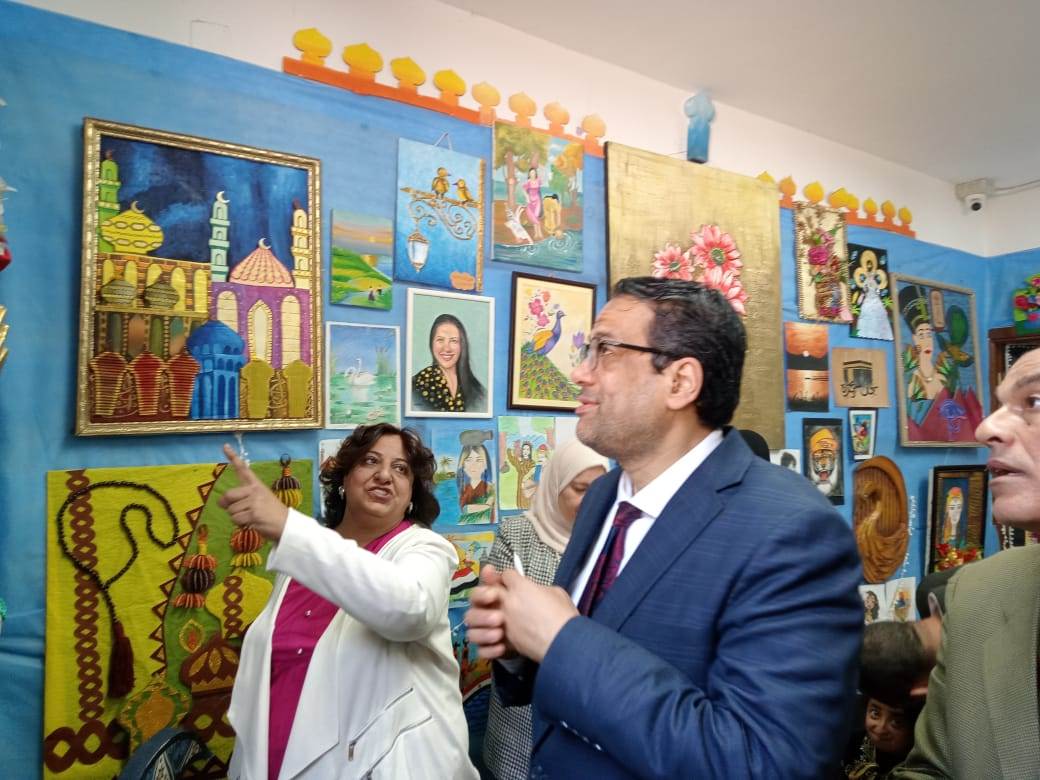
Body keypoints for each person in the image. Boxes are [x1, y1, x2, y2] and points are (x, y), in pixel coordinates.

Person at [466, 276, 863, 778]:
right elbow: (578, 666)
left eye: (605, 350)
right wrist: (520, 646)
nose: (580, 373)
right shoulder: (604, 498)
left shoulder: (793, 532)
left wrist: (560, 637)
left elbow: (761, 762)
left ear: (680, 382)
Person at [220, 423, 477, 779]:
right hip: (278, 756)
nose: (384, 475)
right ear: (344, 478)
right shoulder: (303, 556)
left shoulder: (426, 550)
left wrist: (287, 527)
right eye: (370, 461)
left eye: (401, 469)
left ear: (411, 494)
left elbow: (410, 609)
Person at [892, 347, 1040, 777]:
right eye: (999, 404)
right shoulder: (978, 595)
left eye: (1034, 401)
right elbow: (930, 771)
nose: (985, 427)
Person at [482, 439, 609, 780]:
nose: (591, 501)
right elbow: (499, 619)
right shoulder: (518, 535)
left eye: (599, 490)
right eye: (580, 489)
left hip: (587, 721)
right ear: (554, 487)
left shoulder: (610, 540)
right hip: (521, 718)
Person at [411, 313, 486, 413]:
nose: (446, 348)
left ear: (462, 345)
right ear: (431, 343)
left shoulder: (477, 390)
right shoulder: (418, 385)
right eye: (440, 340)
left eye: (453, 341)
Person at [457, 436, 495, 524]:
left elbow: (489, 504)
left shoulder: (490, 487)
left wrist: (470, 508)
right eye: (468, 460)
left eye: (479, 460)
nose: (473, 465)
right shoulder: (463, 489)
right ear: (463, 465)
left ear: (485, 465)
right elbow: (464, 509)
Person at [522, 167, 544, 240]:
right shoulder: (528, 182)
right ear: (529, 174)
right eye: (531, 173)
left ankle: (539, 233)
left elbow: (541, 185)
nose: (532, 174)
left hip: (537, 201)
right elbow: (523, 190)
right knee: (533, 217)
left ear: (535, 173)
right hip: (530, 201)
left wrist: (542, 170)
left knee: (536, 216)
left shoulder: (538, 180)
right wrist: (527, 197)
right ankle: (536, 233)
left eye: (534, 172)